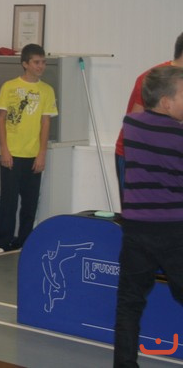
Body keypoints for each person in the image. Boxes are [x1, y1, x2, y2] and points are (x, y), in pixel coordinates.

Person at [113, 65, 183, 367]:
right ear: (166, 102)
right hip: (173, 231)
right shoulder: (178, 134)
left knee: (129, 303)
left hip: (137, 229)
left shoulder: (131, 124)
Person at [0, 43, 57, 253]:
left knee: (30, 203)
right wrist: (4, 149)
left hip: (33, 155)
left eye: (43, 62)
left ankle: (24, 241)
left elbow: (46, 123)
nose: (41, 66)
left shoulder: (47, 90)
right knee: (8, 201)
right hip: (12, 153)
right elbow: (1, 119)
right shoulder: (9, 87)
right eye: (36, 62)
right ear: (25, 64)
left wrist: (41, 153)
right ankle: (1, 242)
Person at [113, 32, 183, 201]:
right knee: (142, 209)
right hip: (137, 156)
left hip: (169, 155)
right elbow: (136, 128)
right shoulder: (153, 79)